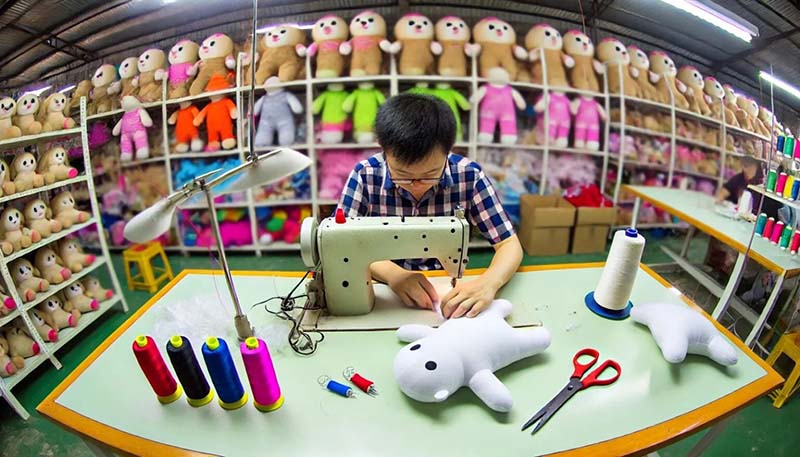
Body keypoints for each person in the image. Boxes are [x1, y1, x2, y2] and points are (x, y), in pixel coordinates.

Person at [339, 93, 523, 319]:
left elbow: (508, 243)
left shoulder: (468, 176)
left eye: (430, 175)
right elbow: (343, 245)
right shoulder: (365, 175)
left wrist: (488, 283)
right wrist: (394, 275)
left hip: (444, 286)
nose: (417, 186)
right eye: (403, 176)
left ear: (448, 150)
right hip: (383, 289)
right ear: (383, 149)